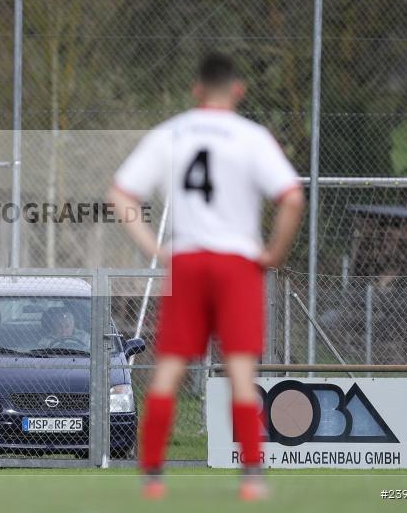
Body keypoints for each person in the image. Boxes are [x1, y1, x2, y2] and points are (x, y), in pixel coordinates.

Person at [108, 53, 304, 501]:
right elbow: (292, 198)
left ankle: (152, 478)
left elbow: (120, 193)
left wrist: (152, 247)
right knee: (239, 370)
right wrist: (273, 252)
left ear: (196, 90)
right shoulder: (252, 137)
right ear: (238, 90)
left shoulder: (171, 132)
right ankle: (252, 479)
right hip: (238, 263)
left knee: (169, 369)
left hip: (189, 260)